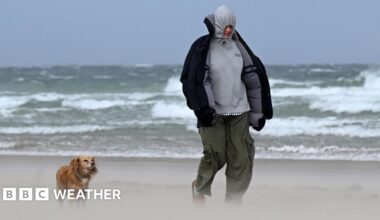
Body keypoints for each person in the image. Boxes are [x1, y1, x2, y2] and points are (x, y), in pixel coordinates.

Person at [180, 5, 273, 204]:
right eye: (225, 26)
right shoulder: (202, 47)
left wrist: (258, 112)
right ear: (218, 24)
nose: (229, 30)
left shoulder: (239, 47)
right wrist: (202, 108)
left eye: (232, 26)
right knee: (215, 155)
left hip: (240, 110)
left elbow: (253, 80)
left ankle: (233, 201)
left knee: (242, 157)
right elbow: (191, 80)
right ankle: (200, 187)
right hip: (213, 113)